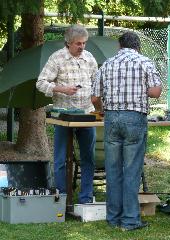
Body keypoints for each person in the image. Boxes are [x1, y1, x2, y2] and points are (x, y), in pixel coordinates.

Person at [91, 32, 162, 231]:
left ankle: (113, 218)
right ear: (137, 47)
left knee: (112, 170)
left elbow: (95, 98)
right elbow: (156, 92)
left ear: (119, 46)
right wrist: (142, 89)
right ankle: (130, 220)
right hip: (135, 118)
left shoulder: (107, 63)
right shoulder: (144, 61)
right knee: (131, 170)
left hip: (112, 118)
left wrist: (102, 109)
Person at [36, 24, 98, 204]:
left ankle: (86, 198)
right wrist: (61, 89)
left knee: (88, 158)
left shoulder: (89, 57)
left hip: (87, 113)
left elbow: (97, 81)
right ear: (68, 43)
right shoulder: (57, 58)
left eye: (84, 43)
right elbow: (40, 83)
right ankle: (61, 198)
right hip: (64, 116)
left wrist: (97, 100)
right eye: (78, 43)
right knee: (61, 158)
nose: (82, 47)